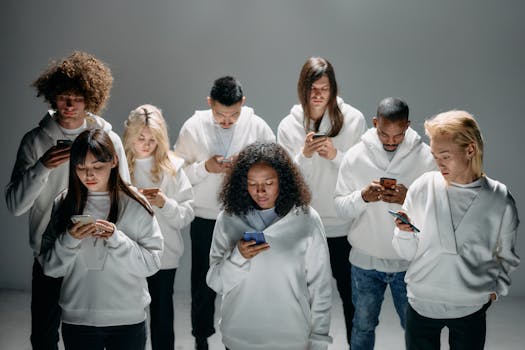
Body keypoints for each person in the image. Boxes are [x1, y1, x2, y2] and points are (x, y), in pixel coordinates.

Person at [5, 51, 129, 350]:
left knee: (87, 337)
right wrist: (43, 167)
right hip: (48, 252)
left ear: (91, 98)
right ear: (52, 98)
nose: (70, 105)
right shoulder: (35, 141)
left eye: (77, 97)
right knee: (44, 336)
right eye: (63, 97)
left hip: (93, 253)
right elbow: (15, 206)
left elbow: (123, 196)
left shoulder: (108, 140)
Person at [391, 110, 520, 350]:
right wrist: (404, 232)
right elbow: (406, 253)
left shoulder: (499, 198)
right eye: (434, 155)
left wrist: (495, 289)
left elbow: (507, 255)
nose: (437, 163)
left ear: (470, 150)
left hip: (470, 306)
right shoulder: (423, 187)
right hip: (422, 303)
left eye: (445, 156)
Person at [173, 76, 275, 349]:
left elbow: (276, 165)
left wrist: (246, 168)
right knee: (203, 282)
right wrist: (205, 167)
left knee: (248, 278)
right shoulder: (193, 127)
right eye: (220, 115)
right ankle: (201, 337)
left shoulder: (257, 125)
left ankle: (245, 335)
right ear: (209, 104)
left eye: (234, 115)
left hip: (247, 216)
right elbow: (176, 175)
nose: (227, 121)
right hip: (205, 217)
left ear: (243, 103)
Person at [40, 128, 163, 350]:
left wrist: (117, 239)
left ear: (114, 161)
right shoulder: (64, 203)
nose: (89, 176)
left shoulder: (137, 204)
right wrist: (69, 240)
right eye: (81, 168)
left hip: (128, 319)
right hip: (78, 319)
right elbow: (49, 268)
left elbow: (152, 264)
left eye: (97, 167)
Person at [206, 142, 332, 350]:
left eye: (269, 182)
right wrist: (238, 256)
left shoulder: (307, 219)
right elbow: (216, 283)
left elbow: (320, 287)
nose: (260, 191)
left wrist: (319, 341)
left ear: (283, 181)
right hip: (239, 340)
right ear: (242, 184)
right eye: (252, 183)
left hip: (291, 340)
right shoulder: (227, 220)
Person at [334, 97, 436, 350]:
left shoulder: (426, 157)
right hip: (364, 263)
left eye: (398, 135)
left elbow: (439, 211)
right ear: (375, 123)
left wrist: (408, 197)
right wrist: (362, 197)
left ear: (409, 126)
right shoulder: (355, 156)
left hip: (410, 264)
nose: (390, 141)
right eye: (384, 134)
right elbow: (340, 208)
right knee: (363, 326)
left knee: (415, 329)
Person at [277, 56, 366, 346]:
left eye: (324, 89)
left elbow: (363, 173)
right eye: (312, 89)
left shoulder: (353, 119)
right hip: (304, 225)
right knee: (304, 296)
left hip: (343, 224)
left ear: (333, 89)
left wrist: (334, 156)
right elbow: (282, 177)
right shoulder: (288, 125)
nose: (317, 96)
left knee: (352, 298)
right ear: (302, 89)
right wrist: (303, 154)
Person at [123, 104, 195, 350]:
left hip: (164, 254)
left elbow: (186, 214)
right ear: (130, 135)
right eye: (140, 138)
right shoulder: (117, 166)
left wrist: (165, 203)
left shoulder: (173, 167)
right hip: (125, 252)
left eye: (153, 140)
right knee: (128, 316)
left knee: (162, 314)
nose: (146, 144)